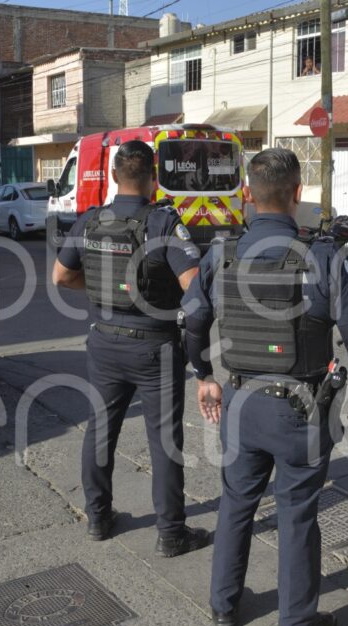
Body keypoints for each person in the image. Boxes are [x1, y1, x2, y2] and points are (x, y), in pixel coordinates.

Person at [183, 148, 348, 626]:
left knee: (236, 503)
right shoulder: (322, 256)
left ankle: (224, 605)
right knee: (297, 513)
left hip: (241, 404)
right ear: (297, 194)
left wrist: (204, 374)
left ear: (248, 194)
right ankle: (295, 624)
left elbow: (192, 322)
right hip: (300, 412)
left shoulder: (221, 253)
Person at [51, 140, 209, 556]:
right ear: (154, 179)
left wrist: (106, 293)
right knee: (164, 441)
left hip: (103, 341)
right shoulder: (162, 223)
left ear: (114, 178)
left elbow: (61, 276)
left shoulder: (90, 221)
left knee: (100, 430)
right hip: (154, 347)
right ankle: (171, 533)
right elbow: (194, 290)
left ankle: (99, 518)